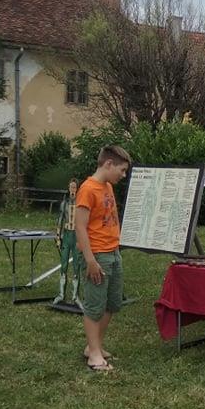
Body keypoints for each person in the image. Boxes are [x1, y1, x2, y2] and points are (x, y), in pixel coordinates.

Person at [75, 145, 131, 372]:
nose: (123, 175)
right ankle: (94, 356)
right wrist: (90, 260)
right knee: (95, 306)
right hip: (97, 255)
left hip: (113, 253)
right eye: (122, 170)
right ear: (108, 164)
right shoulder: (87, 189)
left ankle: (93, 346)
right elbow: (80, 227)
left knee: (112, 303)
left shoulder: (107, 186)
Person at [53, 177, 82, 305]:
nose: (72, 190)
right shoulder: (64, 203)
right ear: (68, 188)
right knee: (63, 264)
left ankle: (75, 296)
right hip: (66, 236)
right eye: (71, 187)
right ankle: (61, 294)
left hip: (76, 236)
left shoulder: (81, 203)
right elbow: (60, 220)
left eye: (74, 187)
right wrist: (58, 237)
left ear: (77, 189)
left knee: (76, 265)